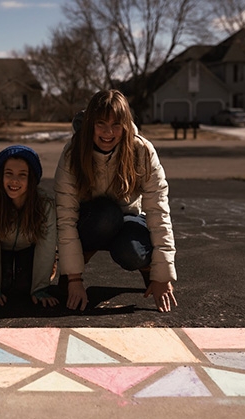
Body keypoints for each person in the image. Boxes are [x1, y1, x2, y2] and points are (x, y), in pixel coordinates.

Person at [54, 89, 178, 312]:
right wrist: (73, 278)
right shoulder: (73, 153)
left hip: (128, 219)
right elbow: (65, 214)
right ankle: (77, 259)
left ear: (126, 125)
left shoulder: (141, 151)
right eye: (100, 123)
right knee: (106, 215)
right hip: (92, 222)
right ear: (90, 123)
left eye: (116, 125)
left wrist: (162, 275)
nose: (108, 132)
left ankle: (146, 268)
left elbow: (158, 211)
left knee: (132, 251)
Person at [0, 145, 59, 308]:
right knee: (5, 286)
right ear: (1, 176)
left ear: (32, 179)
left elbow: (46, 246)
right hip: (3, 249)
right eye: (9, 174)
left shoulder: (45, 204)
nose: (14, 181)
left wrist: (40, 288)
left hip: (29, 248)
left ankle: (48, 270)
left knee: (24, 288)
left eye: (22, 175)